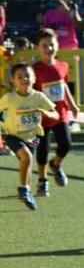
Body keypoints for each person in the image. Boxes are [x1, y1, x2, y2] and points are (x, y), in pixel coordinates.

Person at [0, 63, 57, 209]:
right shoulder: (9, 98)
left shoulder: (39, 97)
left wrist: (47, 113)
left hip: (32, 136)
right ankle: (23, 189)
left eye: (27, 76)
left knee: (28, 163)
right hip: (12, 135)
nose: (24, 79)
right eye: (20, 77)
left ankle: (27, 191)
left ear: (34, 78)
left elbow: (55, 114)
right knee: (27, 157)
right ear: (13, 80)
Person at [32, 28, 80, 196]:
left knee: (66, 144)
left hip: (60, 114)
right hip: (42, 118)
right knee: (42, 151)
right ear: (38, 48)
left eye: (51, 45)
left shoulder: (63, 66)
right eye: (44, 45)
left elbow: (63, 85)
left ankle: (56, 164)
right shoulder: (35, 70)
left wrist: (72, 105)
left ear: (57, 46)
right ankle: (42, 181)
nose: (48, 49)